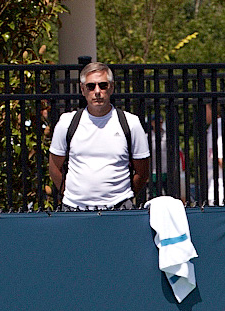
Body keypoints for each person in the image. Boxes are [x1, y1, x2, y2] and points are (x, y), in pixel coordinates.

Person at [48, 62, 150, 210]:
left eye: (103, 85)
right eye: (91, 86)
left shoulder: (131, 123)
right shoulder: (67, 123)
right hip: (74, 209)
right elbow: (54, 168)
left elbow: (142, 172)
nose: (97, 91)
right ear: (83, 90)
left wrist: (123, 196)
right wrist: (71, 195)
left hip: (119, 209)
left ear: (112, 87)